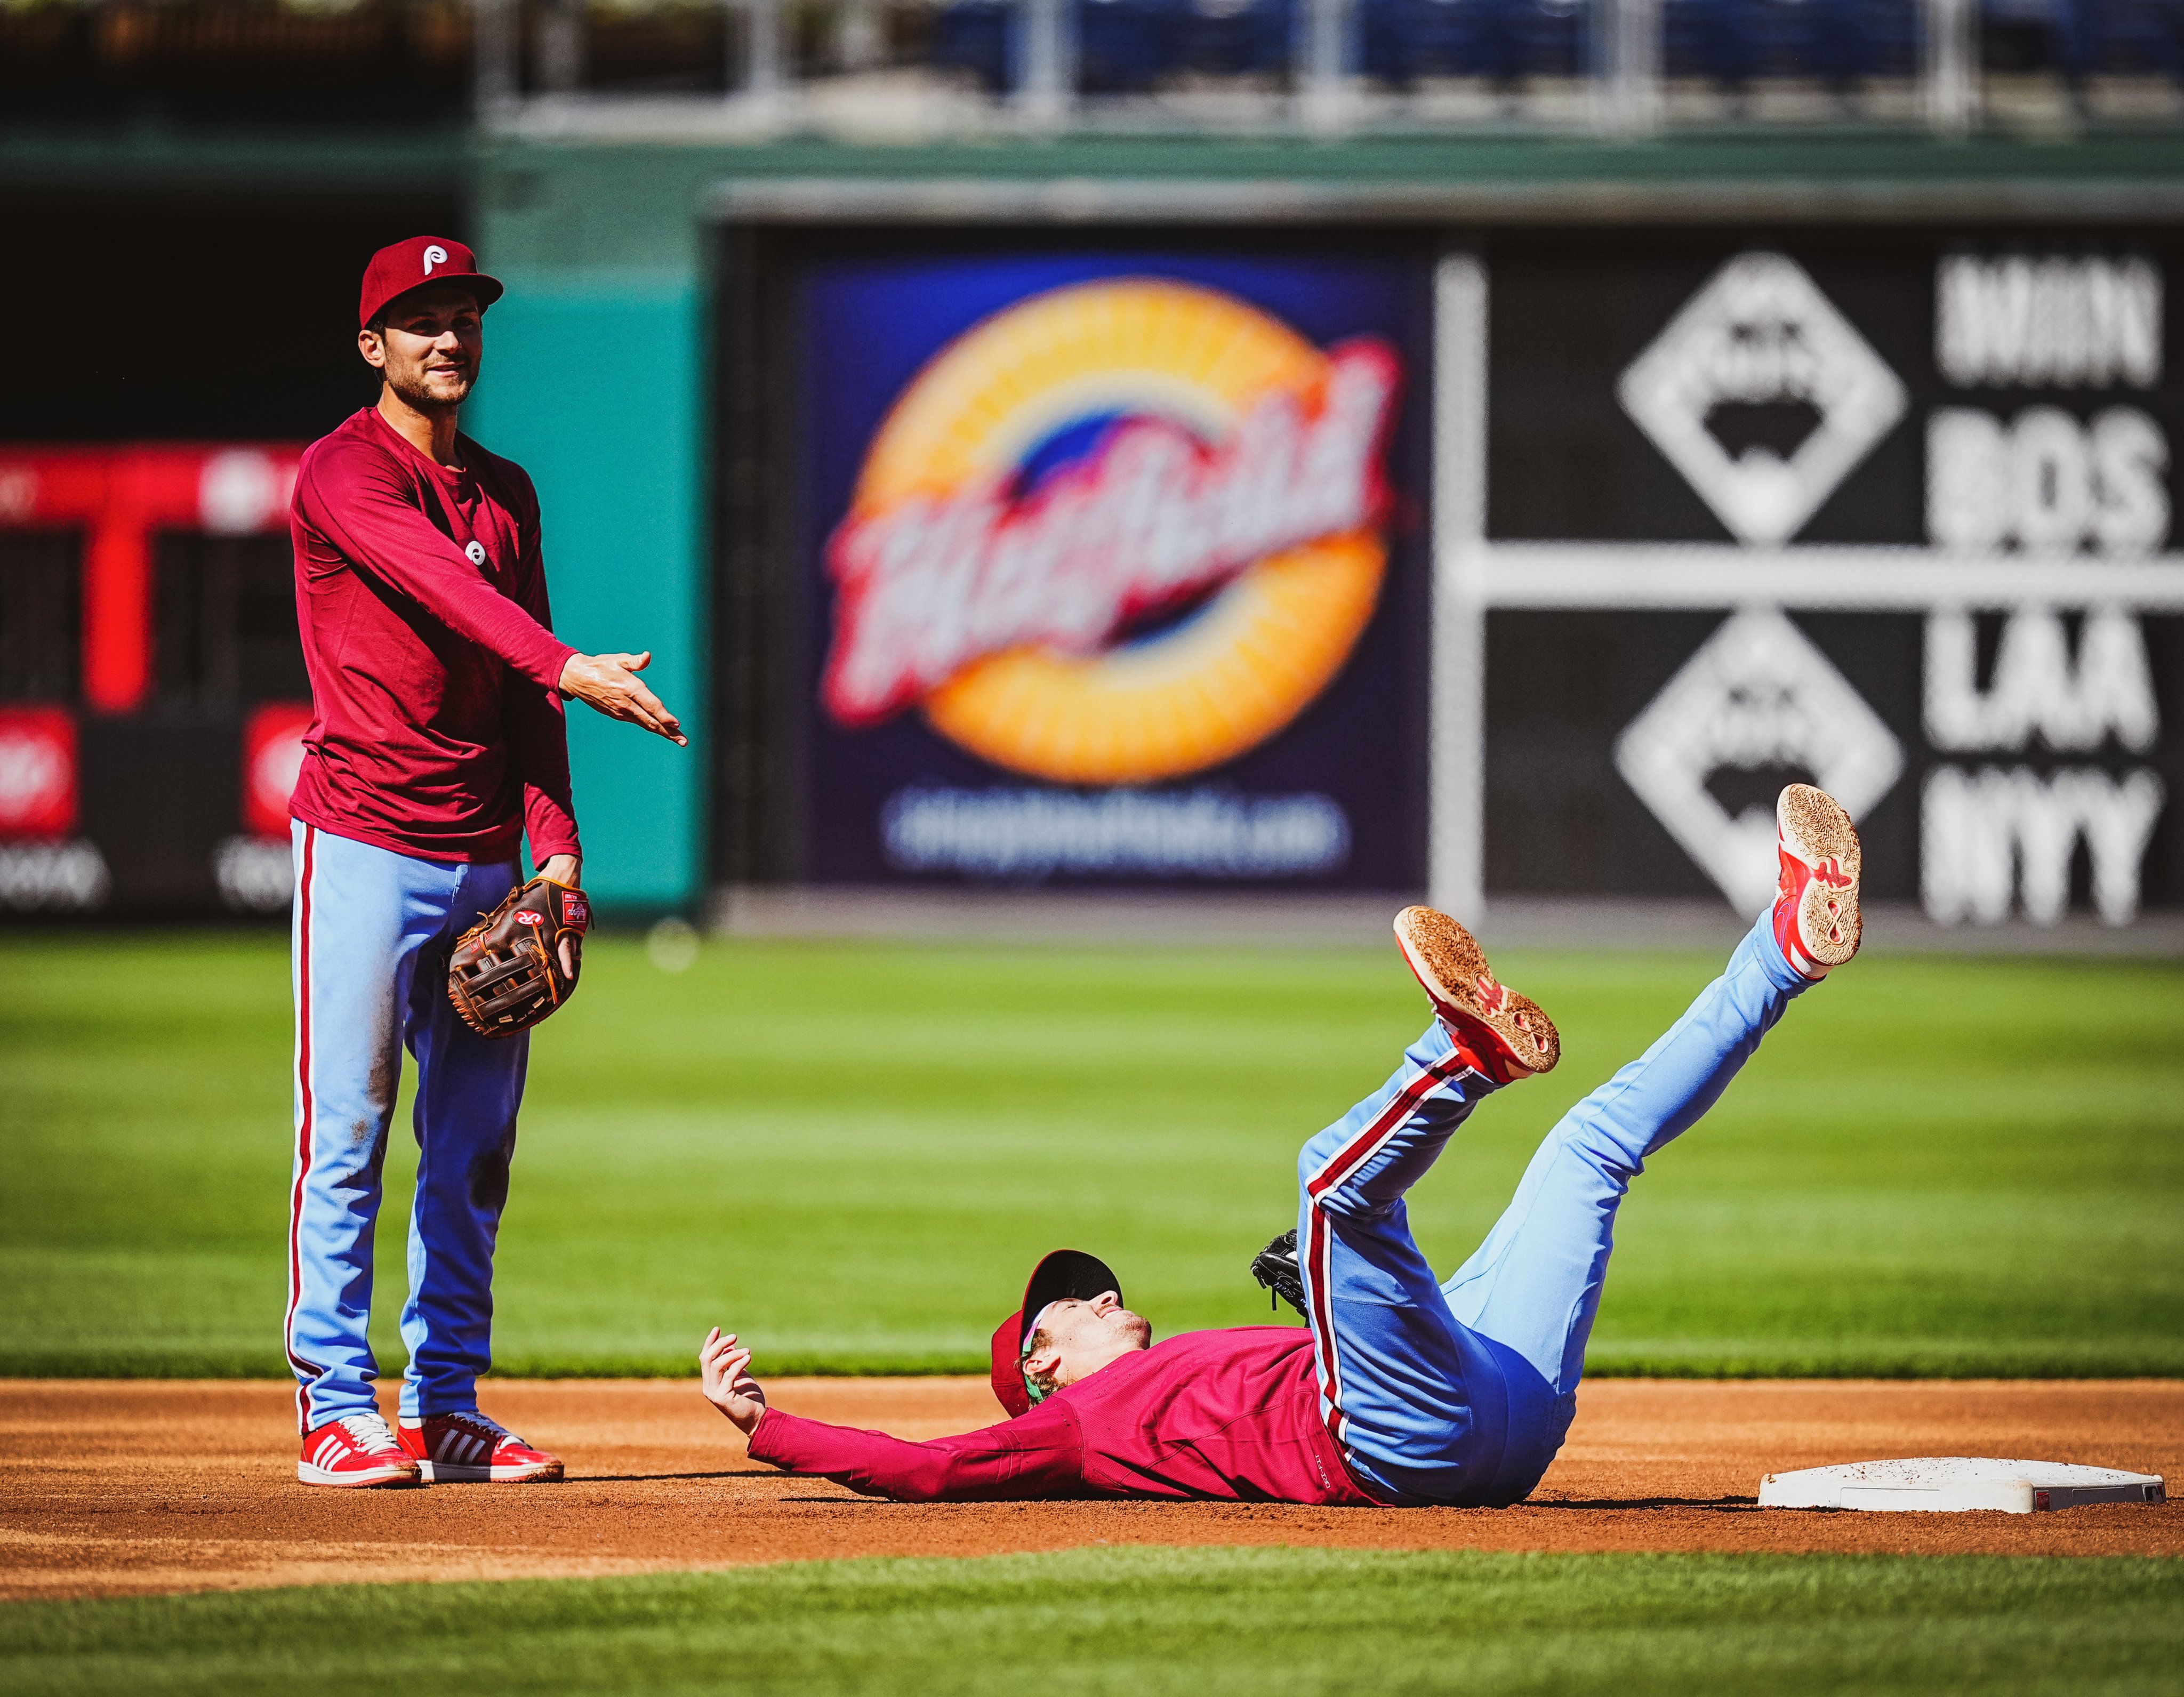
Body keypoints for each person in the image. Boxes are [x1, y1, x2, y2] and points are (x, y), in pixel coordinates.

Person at [699, 784, 1865, 1506]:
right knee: (1326, 1181)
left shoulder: (1159, 1373)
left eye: (1083, 1284)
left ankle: (1780, 945)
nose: (1097, 1291)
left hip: (1498, 1406)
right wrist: (772, 1427)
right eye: (1065, 1305)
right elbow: (933, 1467)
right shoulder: (1073, 1426)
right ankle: (1460, 1056)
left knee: (1584, 1151)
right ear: (1040, 1366)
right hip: (1404, 1448)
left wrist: (1329, 1316)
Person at [286, 235, 687, 1489]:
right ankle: (333, 1402)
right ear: (374, 345)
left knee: (471, 1151)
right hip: (360, 838)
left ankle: (446, 1400)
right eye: (419, 317)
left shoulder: (505, 491)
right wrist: (566, 661)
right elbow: (455, 602)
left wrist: (558, 857)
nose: (448, 335)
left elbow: (525, 700)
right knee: (347, 1132)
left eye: (462, 312)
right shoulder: (341, 472)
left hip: (482, 862)